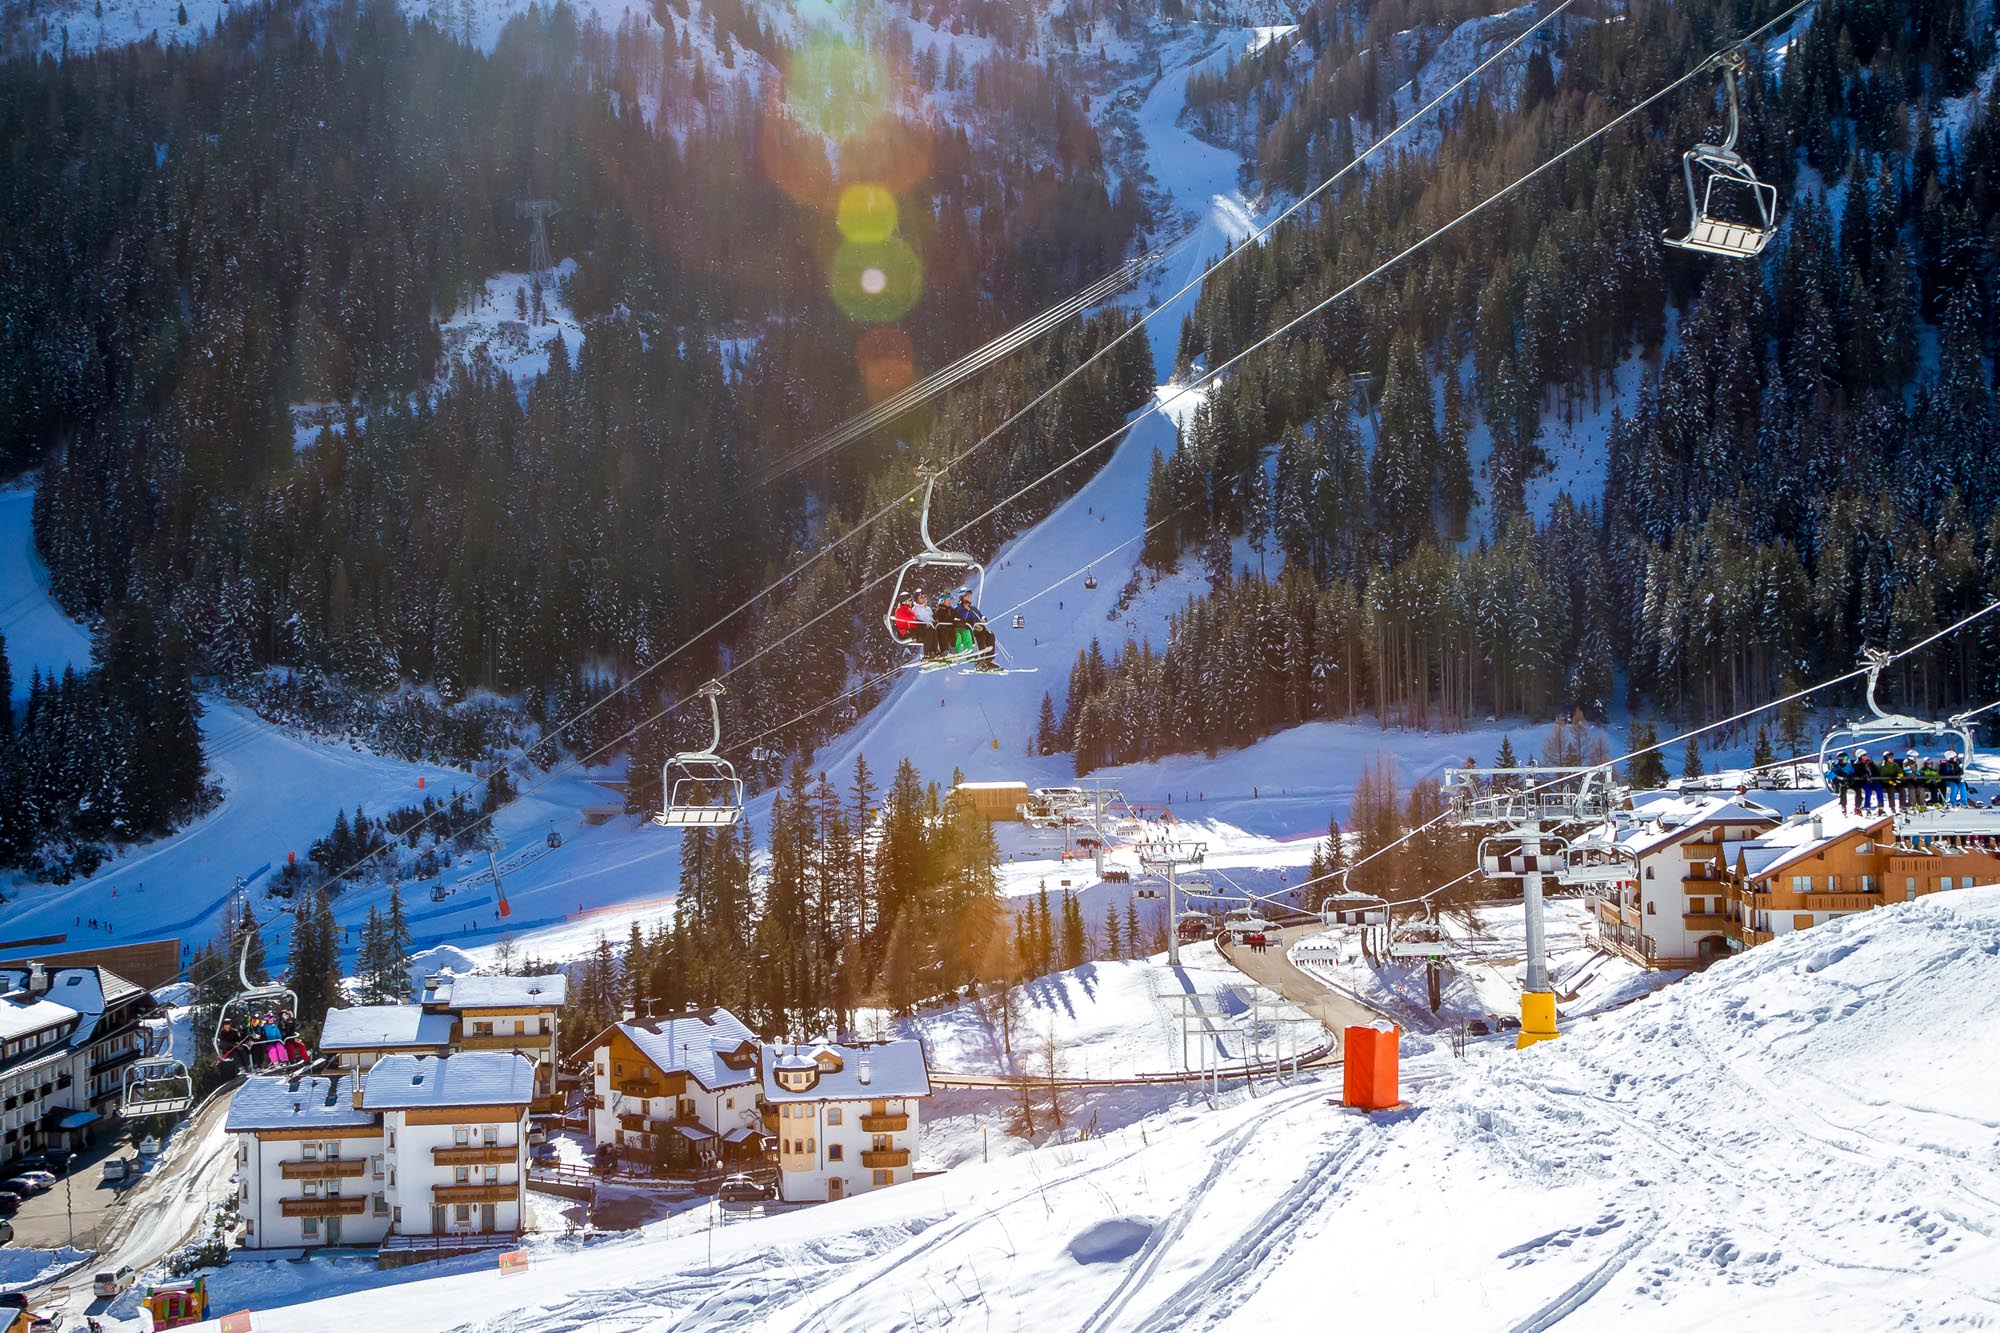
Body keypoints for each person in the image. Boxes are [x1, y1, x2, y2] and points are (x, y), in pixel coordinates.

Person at [955, 589, 997, 666]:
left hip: (979, 628)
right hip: (969, 630)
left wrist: (983, 619)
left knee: (990, 635)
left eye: (969, 597)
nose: (969, 598)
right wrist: (966, 611)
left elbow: (981, 615)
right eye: (967, 597)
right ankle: (980, 660)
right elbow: (960, 620)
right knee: (981, 637)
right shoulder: (958, 609)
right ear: (962, 598)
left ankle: (989, 660)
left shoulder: (973, 609)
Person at [909, 590, 939, 657]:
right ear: (917, 599)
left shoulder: (928, 609)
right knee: (930, 630)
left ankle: (935, 651)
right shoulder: (914, 609)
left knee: (938, 628)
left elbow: (932, 618)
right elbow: (914, 622)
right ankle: (927, 653)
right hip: (921, 631)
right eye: (921, 597)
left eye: (925, 597)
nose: (924, 599)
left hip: (930, 628)